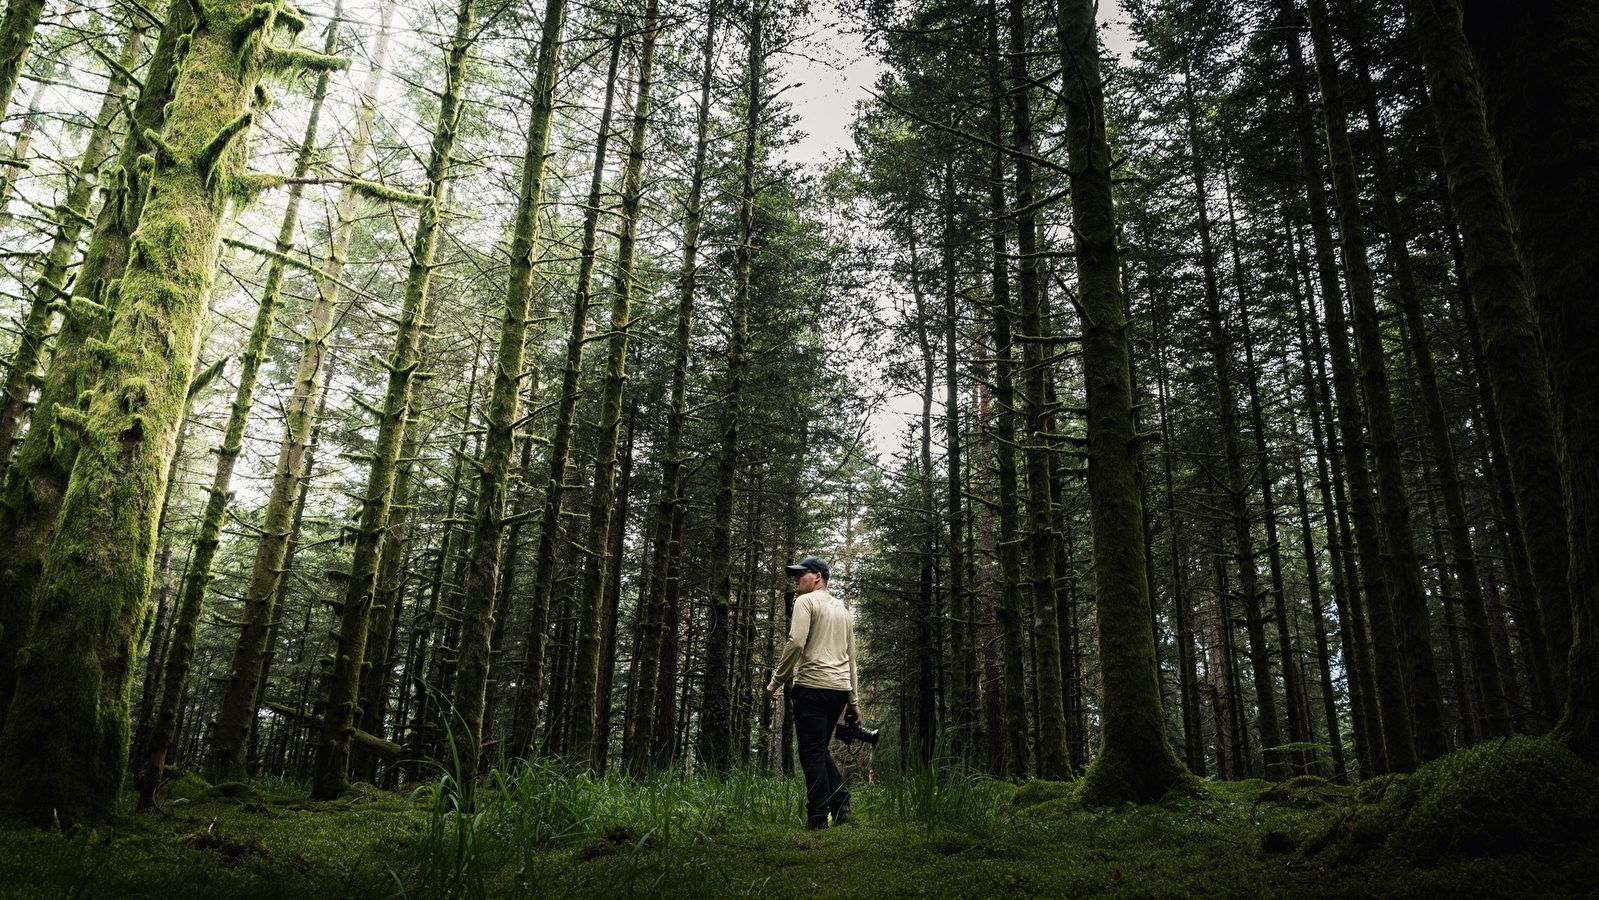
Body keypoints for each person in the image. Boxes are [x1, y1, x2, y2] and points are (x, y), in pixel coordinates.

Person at [766, 556, 860, 829]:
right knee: (817, 750)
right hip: (839, 691)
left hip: (813, 687)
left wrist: (776, 681)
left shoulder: (805, 601)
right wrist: (853, 702)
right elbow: (851, 657)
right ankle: (841, 803)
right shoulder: (842, 609)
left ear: (817, 577)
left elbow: (795, 642)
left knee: (810, 753)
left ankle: (817, 817)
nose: (796, 579)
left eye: (801, 574)